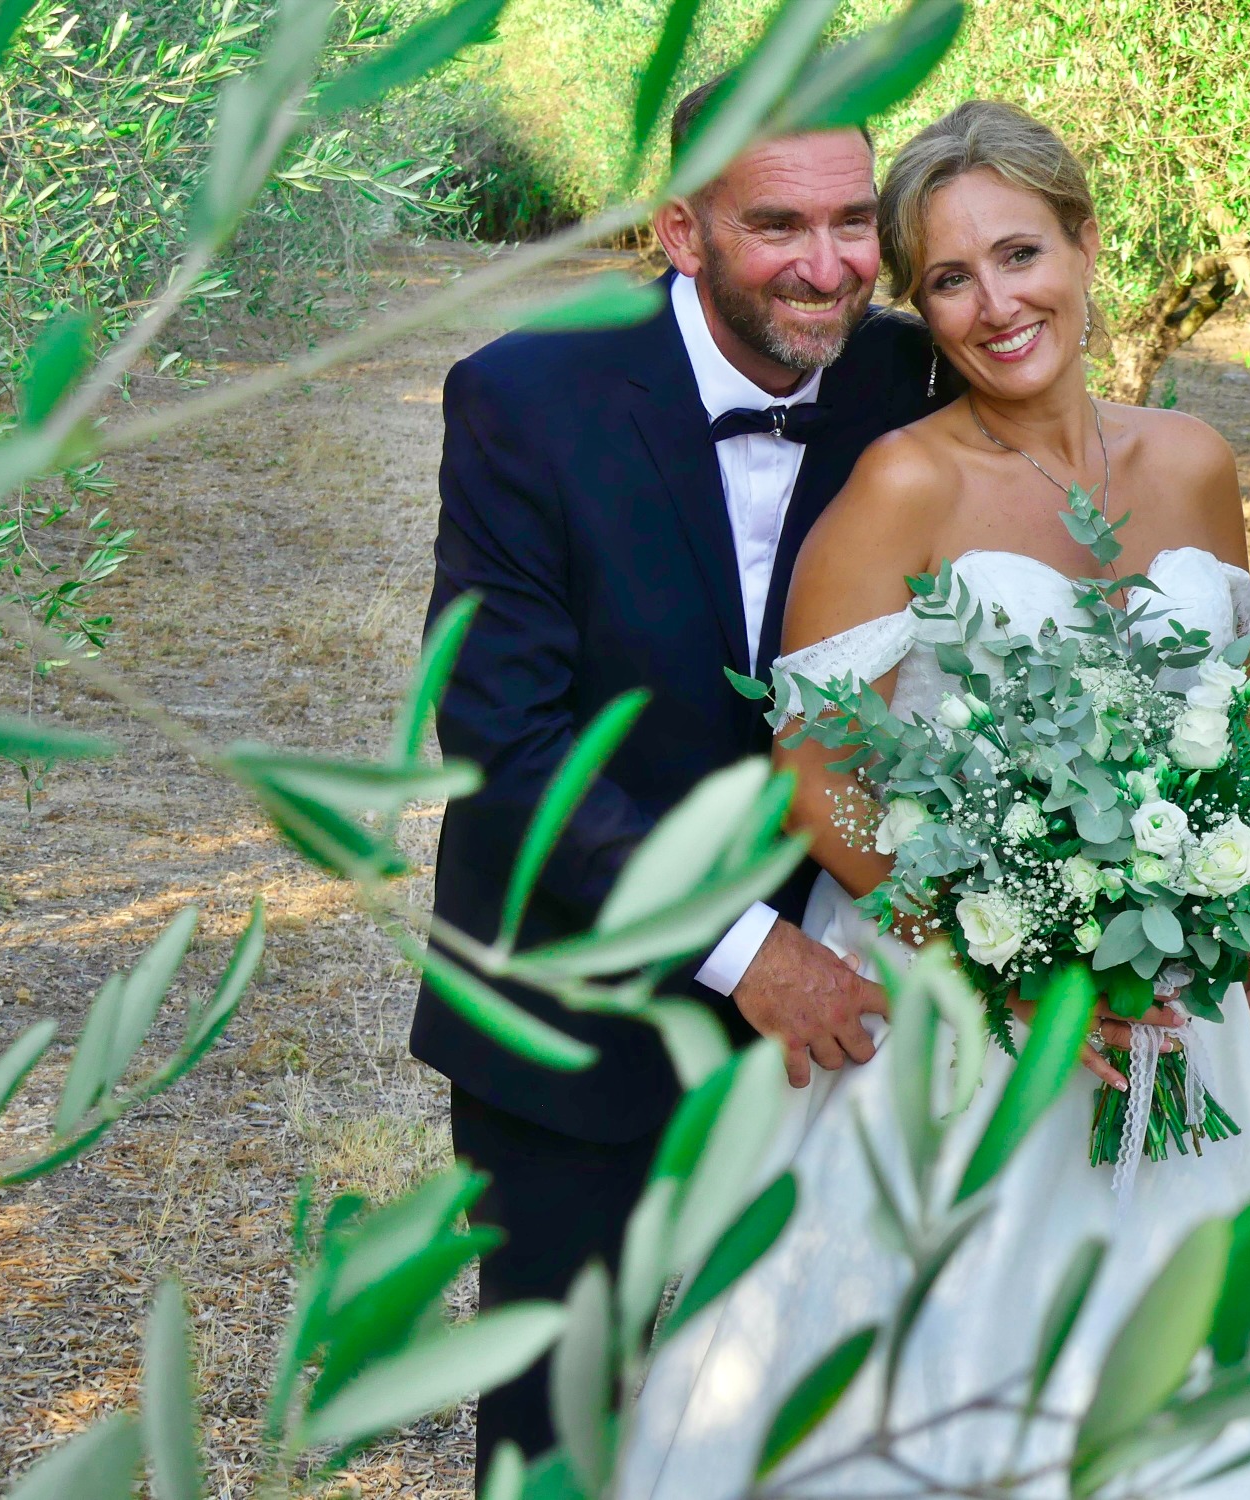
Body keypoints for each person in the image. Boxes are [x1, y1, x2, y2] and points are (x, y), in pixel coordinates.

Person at [616, 101, 1250, 1498]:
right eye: (948, 279)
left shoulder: (1192, 461)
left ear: (1086, 244)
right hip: (955, 1014)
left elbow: (1233, 707)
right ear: (918, 308)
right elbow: (817, 772)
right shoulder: (904, 484)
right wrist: (1006, 960)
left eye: (1019, 255)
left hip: (1173, 1015)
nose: (995, 305)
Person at [412, 76, 944, 1476]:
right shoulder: (525, 398)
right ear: (681, 230)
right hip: (580, 1015)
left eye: (852, 222)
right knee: (558, 1430)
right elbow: (505, 741)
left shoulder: (914, 380)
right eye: (778, 225)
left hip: (856, 1025)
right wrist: (745, 948)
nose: (827, 266)